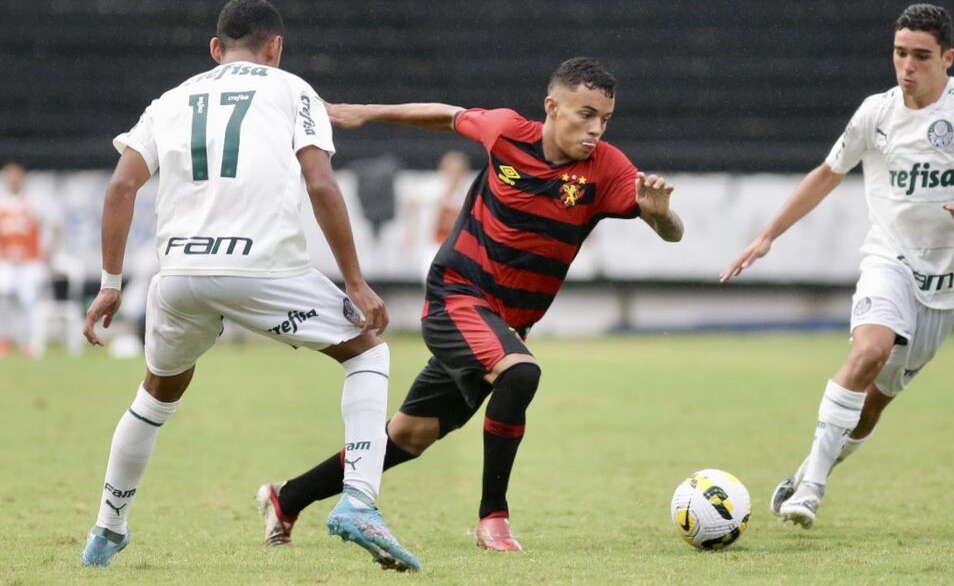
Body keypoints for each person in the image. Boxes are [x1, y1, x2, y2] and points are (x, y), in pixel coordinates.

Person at [255, 57, 684, 551]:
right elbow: (447, 115)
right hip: (455, 297)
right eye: (585, 114)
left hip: (503, 325)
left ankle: (286, 498)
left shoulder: (607, 167)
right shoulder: (507, 133)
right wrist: (366, 113)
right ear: (552, 107)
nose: (595, 129)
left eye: (604, 119)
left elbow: (672, 231)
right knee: (521, 374)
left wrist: (661, 217)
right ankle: (493, 518)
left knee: (408, 436)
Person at [79, 0, 419, 571]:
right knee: (368, 355)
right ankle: (359, 500)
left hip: (180, 275)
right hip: (263, 270)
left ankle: (107, 530)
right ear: (275, 49)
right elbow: (321, 184)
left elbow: (119, 189)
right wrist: (356, 282)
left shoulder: (170, 100)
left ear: (216, 49)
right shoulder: (293, 90)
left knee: (155, 396)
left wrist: (111, 283)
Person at [720, 4, 954, 529]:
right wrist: (767, 236)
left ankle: (807, 469)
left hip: (948, 284)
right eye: (900, 54)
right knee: (870, 349)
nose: (907, 67)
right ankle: (813, 492)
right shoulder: (876, 112)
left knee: (872, 407)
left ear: (948, 58)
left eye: (921, 56)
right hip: (888, 257)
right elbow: (828, 173)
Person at [0, 162, 55, 358]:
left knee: (28, 301)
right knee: (4, 296)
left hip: (30, 261)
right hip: (6, 261)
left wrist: (49, 253)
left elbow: (54, 227)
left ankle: (26, 342)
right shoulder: (2, 202)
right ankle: (4, 339)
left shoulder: (34, 202)